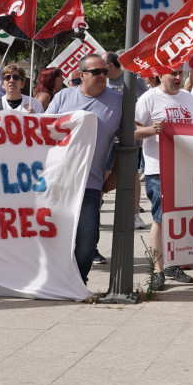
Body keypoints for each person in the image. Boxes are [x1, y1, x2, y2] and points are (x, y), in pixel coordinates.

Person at [47, 54, 123, 284]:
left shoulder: (119, 101)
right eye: (96, 72)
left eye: (105, 72)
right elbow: (42, 131)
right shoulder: (63, 97)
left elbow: (128, 139)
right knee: (54, 235)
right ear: (82, 76)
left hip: (90, 182)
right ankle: (55, 280)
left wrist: (116, 175)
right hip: (57, 180)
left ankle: (78, 281)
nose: (103, 76)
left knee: (88, 236)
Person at [135, 69, 193, 291]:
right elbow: (130, 131)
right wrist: (150, 130)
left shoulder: (186, 97)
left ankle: (174, 265)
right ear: (160, 75)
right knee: (161, 218)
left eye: (180, 73)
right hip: (159, 168)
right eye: (172, 73)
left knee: (181, 220)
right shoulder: (148, 98)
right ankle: (158, 271)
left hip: (185, 168)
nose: (177, 77)